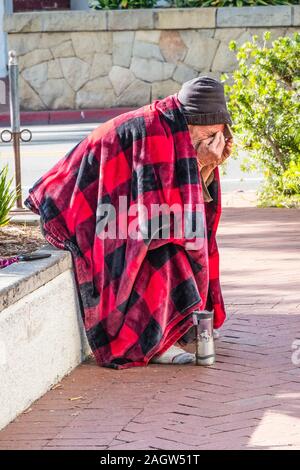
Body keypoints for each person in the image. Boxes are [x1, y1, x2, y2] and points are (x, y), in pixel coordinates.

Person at [24, 76, 233, 369]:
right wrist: (198, 162)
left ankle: (180, 326)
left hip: (120, 201)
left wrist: (203, 163)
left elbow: (189, 208)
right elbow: (160, 218)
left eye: (219, 133)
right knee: (162, 250)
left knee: (178, 237)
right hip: (78, 202)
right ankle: (154, 342)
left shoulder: (180, 131)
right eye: (207, 134)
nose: (213, 141)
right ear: (190, 121)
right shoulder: (154, 133)